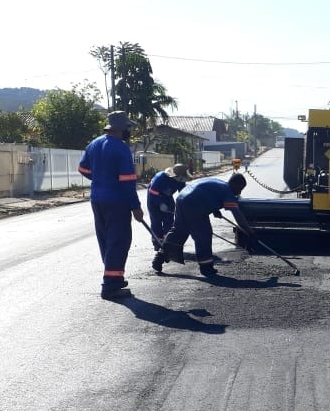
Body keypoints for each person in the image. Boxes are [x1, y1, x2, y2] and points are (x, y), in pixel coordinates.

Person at [78, 110, 143, 300]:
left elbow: (82, 168)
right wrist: (135, 206)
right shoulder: (121, 148)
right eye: (128, 127)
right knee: (119, 241)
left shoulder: (94, 144)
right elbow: (127, 181)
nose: (129, 131)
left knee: (106, 240)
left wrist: (100, 178)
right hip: (117, 201)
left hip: (97, 199)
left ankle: (114, 278)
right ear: (122, 128)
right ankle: (110, 286)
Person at [156, 173, 258, 277]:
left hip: (182, 198)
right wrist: (250, 232)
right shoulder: (228, 192)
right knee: (203, 234)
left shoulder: (221, 184)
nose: (239, 192)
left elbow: (206, 193)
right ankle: (206, 267)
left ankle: (159, 257)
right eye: (240, 189)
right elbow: (238, 215)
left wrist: (215, 210)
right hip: (194, 204)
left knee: (179, 230)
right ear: (235, 184)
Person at [146, 163, 190, 252]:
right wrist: (160, 203)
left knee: (169, 221)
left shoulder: (180, 180)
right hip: (153, 198)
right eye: (181, 178)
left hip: (167, 197)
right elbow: (153, 192)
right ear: (176, 176)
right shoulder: (160, 177)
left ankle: (168, 242)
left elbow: (183, 193)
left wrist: (186, 206)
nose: (182, 180)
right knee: (156, 221)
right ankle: (157, 243)